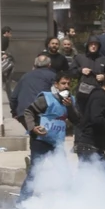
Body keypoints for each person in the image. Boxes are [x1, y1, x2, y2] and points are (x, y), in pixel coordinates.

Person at [20, 72, 80, 201]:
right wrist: (33, 128)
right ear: (56, 85)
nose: (66, 87)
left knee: (65, 172)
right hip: (40, 141)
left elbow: (76, 120)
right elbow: (29, 111)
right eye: (63, 83)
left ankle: (71, 202)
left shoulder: (70, 100)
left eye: (68, 84)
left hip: (56, 143)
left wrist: (69, 107)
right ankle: (22, 202)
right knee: (34, 173)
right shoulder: (46, 98)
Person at [75, 74, 105, 176]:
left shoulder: (104, 97)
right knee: (103, 182)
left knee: (100, 182)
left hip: (95, 147)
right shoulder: (99, 96)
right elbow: (96, 119)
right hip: (89, 147)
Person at [11, 54, 57, 121]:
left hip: (24, 113)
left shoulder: (25, 76)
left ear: (35, 65)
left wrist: (14, 112)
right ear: (49, 65)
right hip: (44, 114)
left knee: (32, 130)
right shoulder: (53, 76)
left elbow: (13, 97)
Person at [75, 36, 105, 113]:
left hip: (98, 93)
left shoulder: (104, 59)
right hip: (82, 94)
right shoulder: (80, 57)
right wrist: (81, 70)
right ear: (88, 45)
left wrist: (104, 76)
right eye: (91, 44)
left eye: (96, 44)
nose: (93, 46)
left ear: (99, 46)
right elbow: (71, 72)